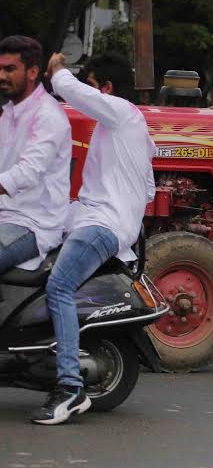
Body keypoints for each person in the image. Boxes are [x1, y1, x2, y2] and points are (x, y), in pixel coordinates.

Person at [35, 52, 154, 425]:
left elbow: (69, 90)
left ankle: (70, 388)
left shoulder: (120, 113)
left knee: (59, 287)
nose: (85, 95)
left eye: (92, 86)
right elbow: (147, 190)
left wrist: (56, 70)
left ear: (106, 88)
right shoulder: (122, 127)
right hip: (94, 217)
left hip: (102, 225)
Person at [0, 36, 71, 275]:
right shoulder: (9, 113)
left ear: (32, 72)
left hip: (31, 223)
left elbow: (27, 172)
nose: (1, 76)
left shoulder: (48, 115)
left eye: (9, 69)